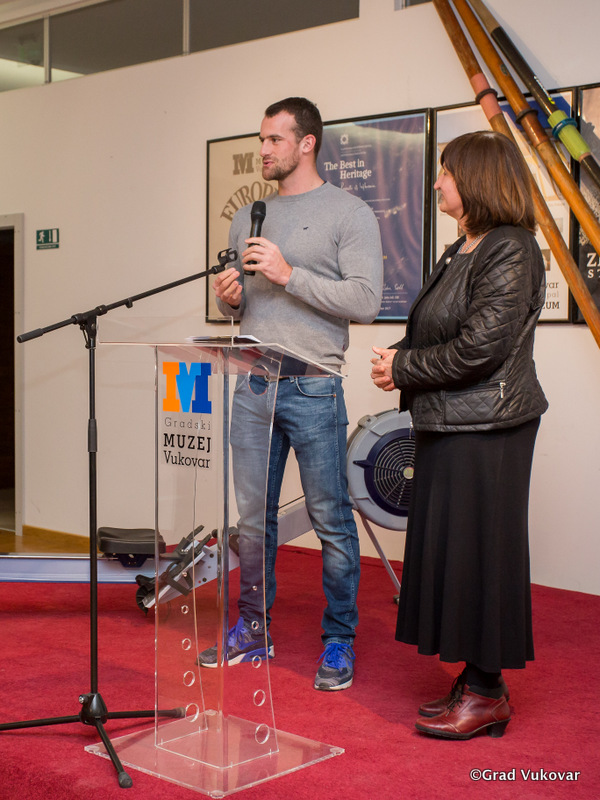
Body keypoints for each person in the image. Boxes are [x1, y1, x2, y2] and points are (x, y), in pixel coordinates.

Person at [198, 97, 383, 690]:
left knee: (331, 520)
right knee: (253, 522)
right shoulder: (248, 216)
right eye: (261, 139)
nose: (263, 150)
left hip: (314, 387)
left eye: (274, 139)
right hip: (253, 384)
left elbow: (365, 301)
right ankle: (253, 627)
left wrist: (288, 274)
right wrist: (233, 299)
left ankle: (339, 639)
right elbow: (251, 309)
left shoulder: (349, 213)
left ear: (307, 143)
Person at [370, 130, 548, 737]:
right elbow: (436, 328)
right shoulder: (463, 247)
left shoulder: (512, 247)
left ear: (475, 179)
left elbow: (480, 348)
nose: (438, 182)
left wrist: (404, 369)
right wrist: (397, 356)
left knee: (482, 556)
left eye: (446, 172)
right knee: (456, 555)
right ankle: (475, 681)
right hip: (451, 420)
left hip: (490, 426)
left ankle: (488, 693)